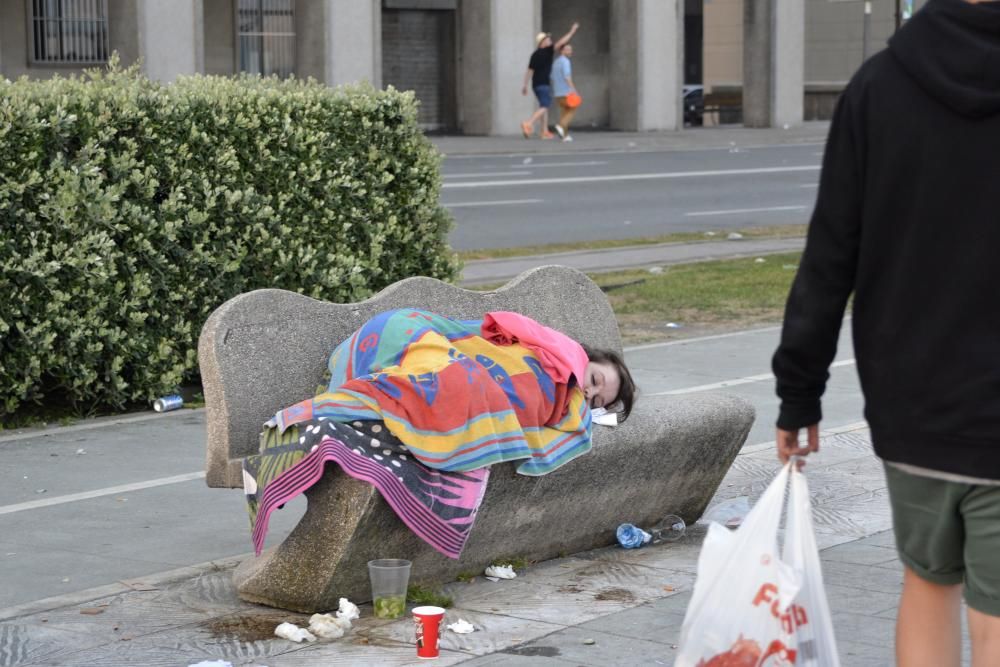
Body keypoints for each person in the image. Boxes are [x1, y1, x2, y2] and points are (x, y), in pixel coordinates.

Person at [770, 1, 1000, 665]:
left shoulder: (880, 87)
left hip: (913, 407)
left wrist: (798, 395)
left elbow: (830, 254)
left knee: (928, 584)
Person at [520, 22, 579, 139]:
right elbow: (561, 42)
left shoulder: (534, 55)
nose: (550, 41)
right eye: (547, 39)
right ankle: (529, 123)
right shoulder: (547, 51)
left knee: (543, 106)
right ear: (542, 42)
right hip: (543, 84)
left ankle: (544, 131)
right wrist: (572, 32)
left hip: (535, 84)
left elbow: (529, 71)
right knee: (545, 106)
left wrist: (525, 85)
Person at [550, 43, 578, 142]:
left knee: (564, 112)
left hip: (557, 92)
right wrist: (574, 90)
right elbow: (567, 77)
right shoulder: (565, 61)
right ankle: (561, 126)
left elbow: (552, 77)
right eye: (567, 49)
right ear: (562, 51)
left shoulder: (556, 62)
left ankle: (564, 136)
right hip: (566, 92)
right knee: (572, 109)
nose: (570, 51)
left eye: (570, 49)